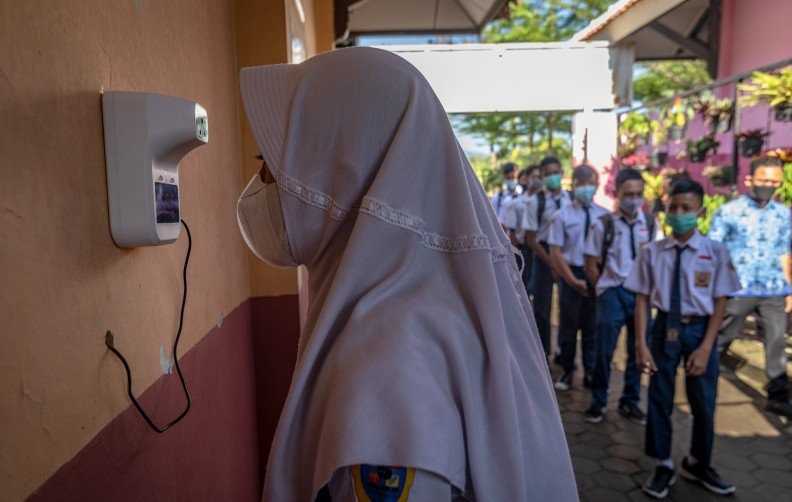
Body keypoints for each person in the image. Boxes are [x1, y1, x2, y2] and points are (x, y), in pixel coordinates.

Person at [236, 47, 578, 502]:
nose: (260, 182)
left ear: (341, 171)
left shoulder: (390, 363)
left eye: (273, 166)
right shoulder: (428, 309)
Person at [627, 179, 740, 499]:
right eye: (673, 208)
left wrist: (706, 347)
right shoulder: (652, 252)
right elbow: (642, 299)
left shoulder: (715, 252)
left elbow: (721, 301)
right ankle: (663, 463)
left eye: (686, 209)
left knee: (703, 402)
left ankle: (698, 462)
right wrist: (641, 343)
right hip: (664, 328)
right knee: (660, 399)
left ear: (700, 211)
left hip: (700, 330)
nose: (678, 214)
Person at [709, 156, 792, 418]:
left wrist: (789, 287)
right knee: (722, 335)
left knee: (776, 341)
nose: (769, 185)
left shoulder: (784, 215)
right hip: (738, 288)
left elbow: (785, 252)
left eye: (774, 182)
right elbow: (714, 251)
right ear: (750, 180)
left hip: (773, 289)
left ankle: (778, 397)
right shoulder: (729, 212)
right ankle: (703, 373)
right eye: (763, 180)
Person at [583, 168, 655, 423]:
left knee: (639, 348)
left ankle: (630, 400)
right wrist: (602, 289)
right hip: (613, 291)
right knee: (605, 350)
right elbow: (591, 263)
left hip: (641, 295)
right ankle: (599, 400)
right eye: (629, 194)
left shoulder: (650, 223)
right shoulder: (604, 224)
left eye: (639, 194)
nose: (634, 200)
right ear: (618, 193)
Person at [548, 164, 607, 390]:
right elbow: (556, 252)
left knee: (592, 326)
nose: (586, 188)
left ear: (597, 185)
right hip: (570, 274)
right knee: (568, 327)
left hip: (595, 276)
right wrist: (572, 280)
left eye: (590, 183)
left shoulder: (604, 216)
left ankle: (590, 371)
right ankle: (567, 370)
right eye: (581, 184)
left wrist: (596, 279)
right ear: (573, 185)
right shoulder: (561, 216)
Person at [523, 156, 571, 356]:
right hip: (543, 257)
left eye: (556, 172)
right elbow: (531, 238)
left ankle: (564, 352)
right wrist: (552, 263)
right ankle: (543, 353)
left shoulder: (571, 199)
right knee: (542, 309)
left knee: (568, 308)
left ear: (562, 173)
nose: (553, 177)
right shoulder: (536, 202)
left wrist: (561, 263)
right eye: (548, 174)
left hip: (566, 256)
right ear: (542, 177)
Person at [502, 165, 542, 291]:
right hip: (524, 250)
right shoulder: (516, 202)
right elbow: (512, 232)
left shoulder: (545, 202)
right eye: (533, 177)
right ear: (526, 178)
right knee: (522, 286)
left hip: (541, 251)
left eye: (539, 177)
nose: (537, 180)